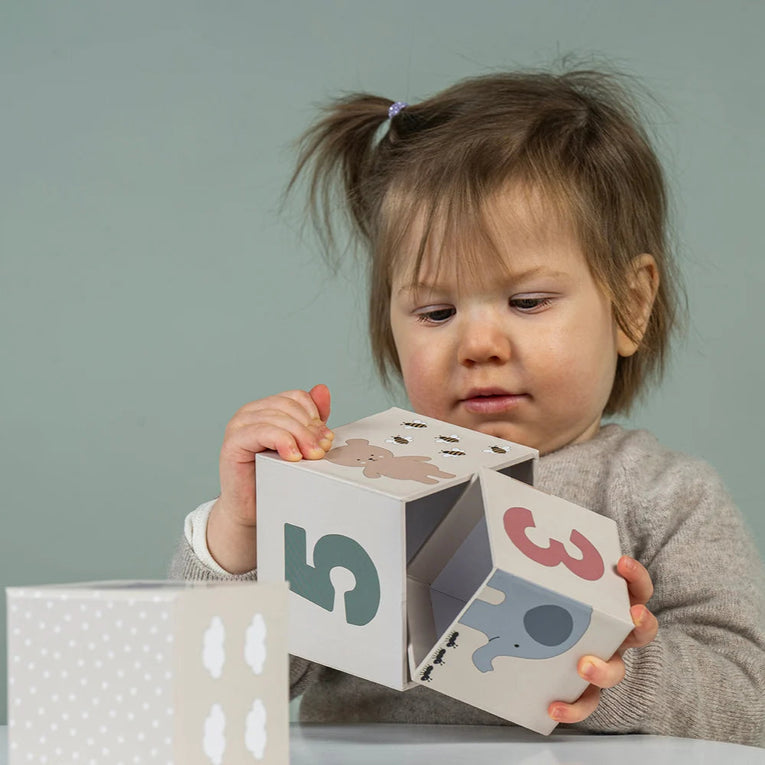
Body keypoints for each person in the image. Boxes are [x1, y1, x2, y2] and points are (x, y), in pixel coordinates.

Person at [170, 68, 765, 745]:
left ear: (630, 304)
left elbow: (750, 701)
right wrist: (242, 535)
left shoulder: (663, 496)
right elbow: (221, 681)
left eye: (527, 301)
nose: (478, 344)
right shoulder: (349, 492)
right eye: (436, 311)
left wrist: (613, 669)